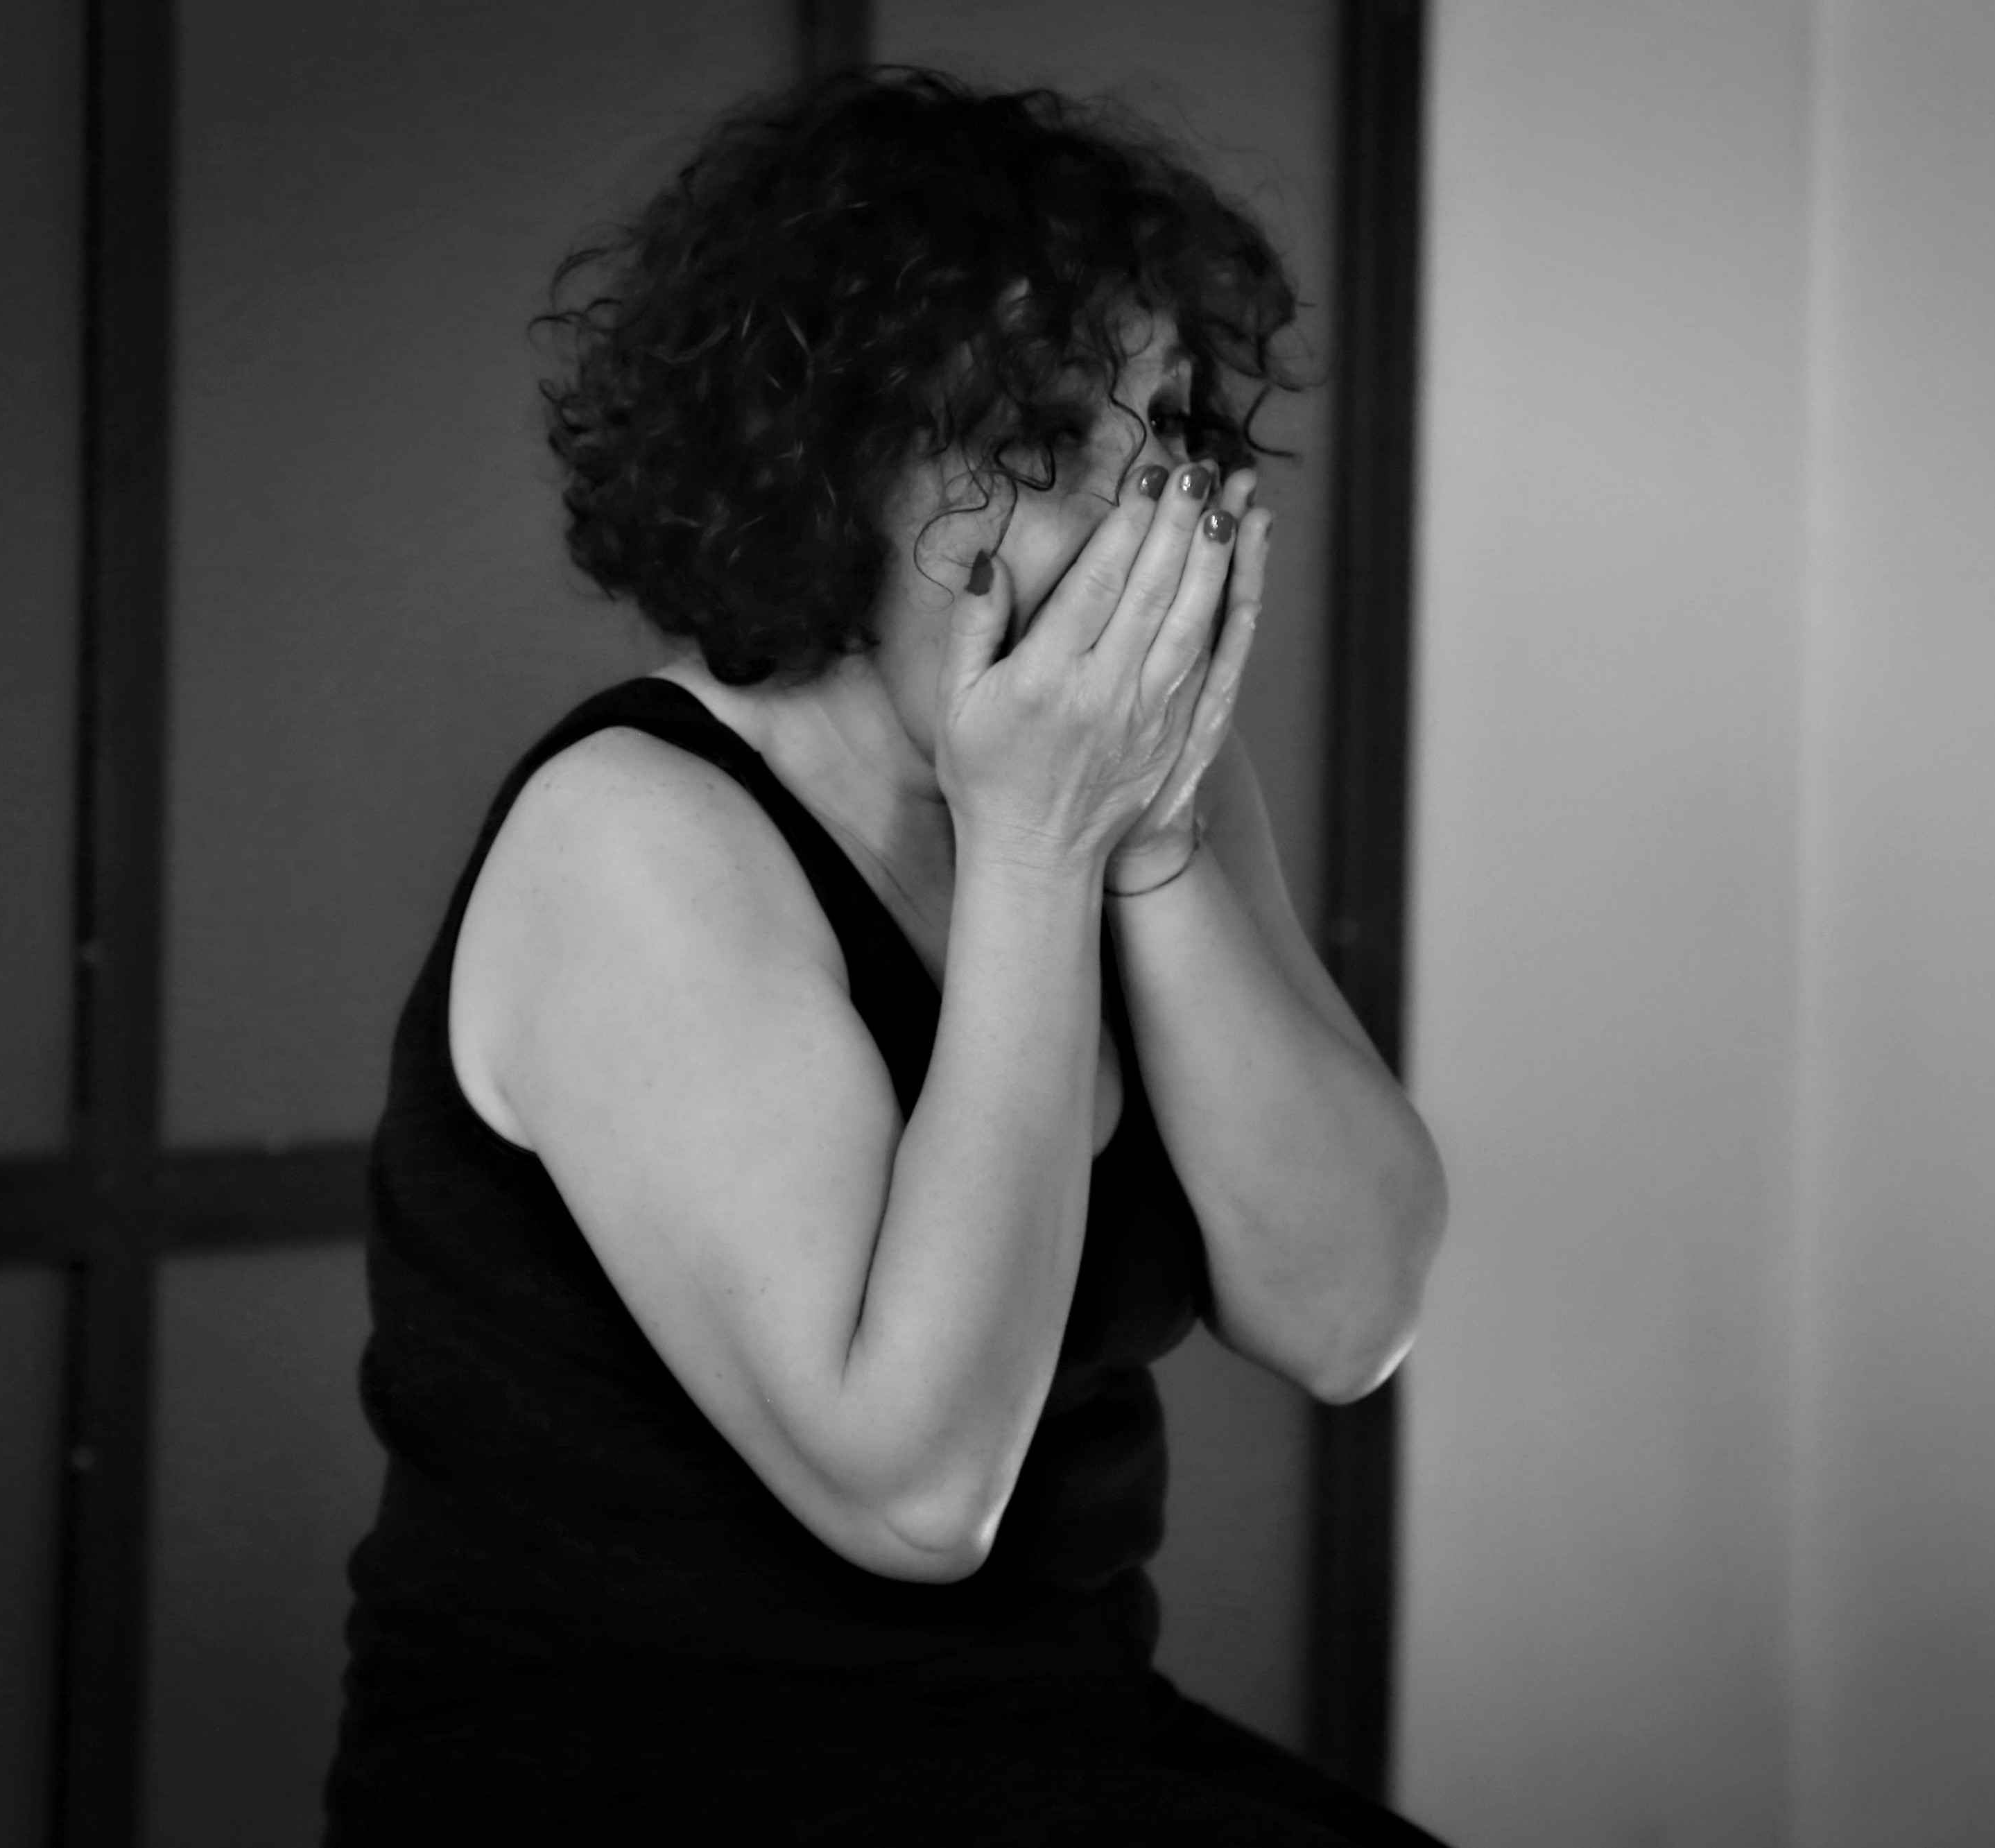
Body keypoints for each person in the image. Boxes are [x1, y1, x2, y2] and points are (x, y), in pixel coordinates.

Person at [325, 67, 1447, 1845]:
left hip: (1043, 1747)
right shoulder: (635, 833)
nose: (1140, 521)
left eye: (1163, 427)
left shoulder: (1128, 780)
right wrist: (1038, 854)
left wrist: (1149, 843)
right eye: (1041, 439)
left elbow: (1346, 1316)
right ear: (828, 471)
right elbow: (916, 1492)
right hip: (641, 1793)